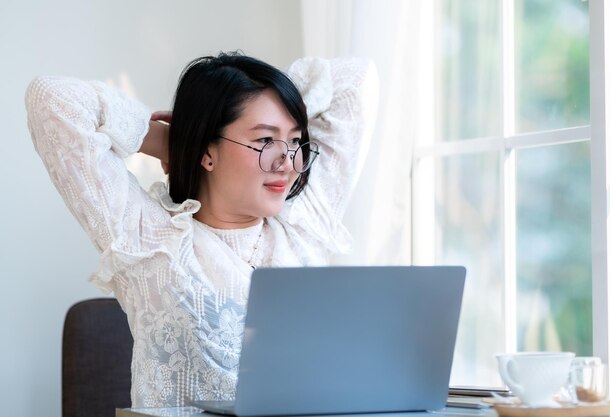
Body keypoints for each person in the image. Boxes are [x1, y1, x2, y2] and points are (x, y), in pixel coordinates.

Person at [25, 52, 376, 408]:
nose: (287, 161)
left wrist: (275, 98)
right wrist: (168, 139)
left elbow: (355, 77)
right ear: (208, 153)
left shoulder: (304, 222)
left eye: (295, 140)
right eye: (265, 141)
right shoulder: (150, 238)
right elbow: (51, 97)